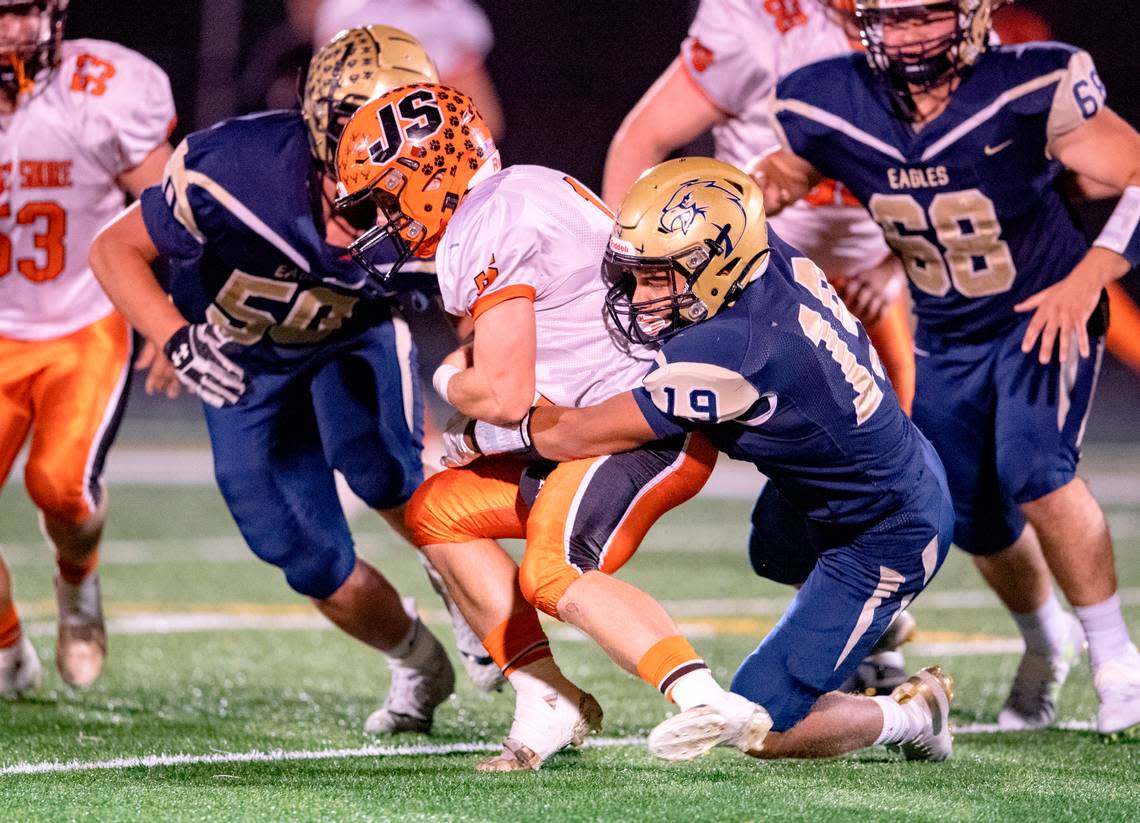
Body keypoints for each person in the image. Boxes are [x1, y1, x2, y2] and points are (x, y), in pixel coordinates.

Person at [448, 156, 958, 762]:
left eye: (661, 278)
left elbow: (574, 435)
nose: (640, 296)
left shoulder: (727, 350)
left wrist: (479, 429)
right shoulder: (763, 258)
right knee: (770, 554)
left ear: (718, 266)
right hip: (823, 486)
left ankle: (914, 715)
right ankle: (865, 624)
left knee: (766, 729)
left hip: (887, 526)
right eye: (636, 273)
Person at [333, 84, 775, 770]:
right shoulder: (517, 192)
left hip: (640, 425)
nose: (383, 219)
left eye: (388, 197)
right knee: (437, 510)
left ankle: (705, 697)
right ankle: (546, 696)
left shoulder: (491, 218)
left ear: (430, 176)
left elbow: (506, 395)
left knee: (552, 567)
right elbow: (530, 388)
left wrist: (449, 382)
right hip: (587, 424)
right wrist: (474, 426)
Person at [87, 26, 497, 732]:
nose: (377, 146)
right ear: (319, 119)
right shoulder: (236, 169)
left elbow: (485, 296)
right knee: (304, 551)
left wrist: (485, 368)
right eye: (357, 123)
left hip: (351, 334)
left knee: (390, 472)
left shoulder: (442, 181)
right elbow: (116, 247)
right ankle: (417, 660)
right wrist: (174, 332)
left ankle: (485, 615)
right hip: (243, 358)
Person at [756, 0, 1140, 735]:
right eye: (891, 19)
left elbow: (1135, 171)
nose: (909, 34)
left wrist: (1090, 276)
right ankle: (1043, 646)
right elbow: (782, 175)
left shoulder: (1031, 81)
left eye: (928, 15)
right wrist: (731, 196)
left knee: (1038, 469)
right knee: (974, 517)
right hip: (945, 330)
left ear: (975, 11)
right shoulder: (830, 96)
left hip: (1042, 310)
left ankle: (1116, 656)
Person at [603, 0, 915, 416]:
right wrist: (625, 273)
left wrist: (894, 267)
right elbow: (643, 140)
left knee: (897, 428)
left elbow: (956, 176)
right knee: (677, 419)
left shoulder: (933, 29)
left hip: (862, 279)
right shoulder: (763, 23)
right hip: (744, 271)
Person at [0, 0, 175, 696]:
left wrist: (173, 316)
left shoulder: (100, 89)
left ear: (51, 14)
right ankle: (9, 645)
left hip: (81, 320)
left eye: (15, 12)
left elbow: (173, 209)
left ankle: (78, 589)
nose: (6, 31)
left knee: (61, 486)